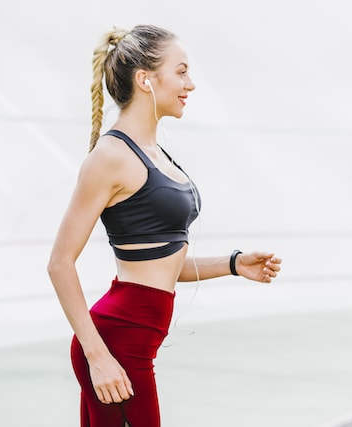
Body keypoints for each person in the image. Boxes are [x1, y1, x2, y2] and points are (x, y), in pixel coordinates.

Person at [47, 24, 282, 427]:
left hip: (136, 341)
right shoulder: (110, 156)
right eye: (181, 71)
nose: (190, 84)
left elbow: (162, 264)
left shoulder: (156, 153)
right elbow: (59, 263)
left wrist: (233, 263)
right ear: (145, 80)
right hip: (117, 343)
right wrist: (98, 356)